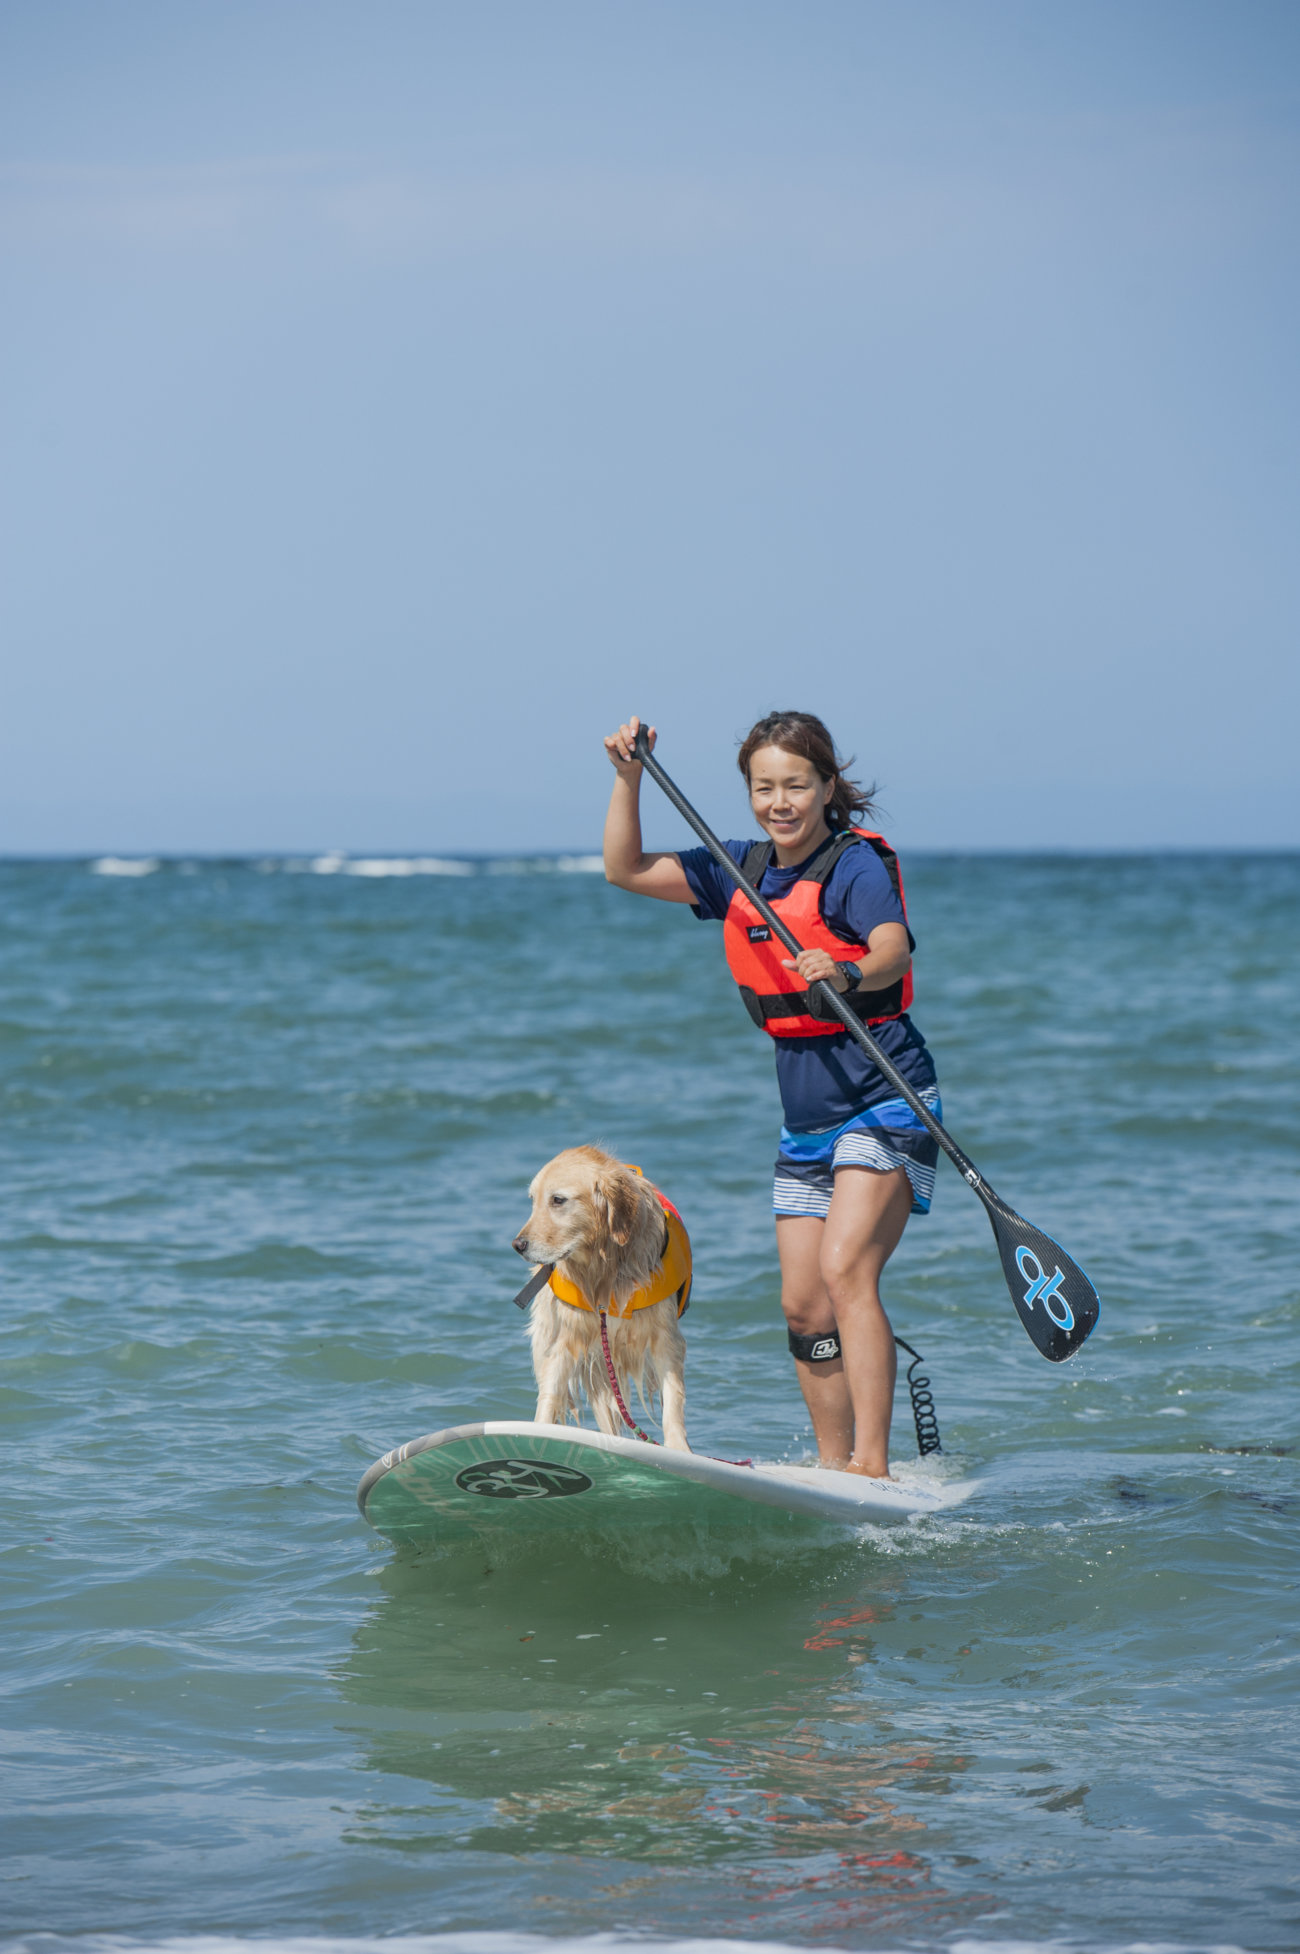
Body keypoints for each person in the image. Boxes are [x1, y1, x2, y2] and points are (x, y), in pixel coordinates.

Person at [602, 710, 941, 1478]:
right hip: (806, 1122)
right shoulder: (738, 869)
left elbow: (889, 946)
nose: (779, 801)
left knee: (847, 1269)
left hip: (886, 1096)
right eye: (764, 787)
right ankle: (832, 1466)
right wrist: (628, 777)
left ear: (827, 787)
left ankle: (872, 1465)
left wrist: (848, 970)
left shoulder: (854, 866)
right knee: (803, 1306)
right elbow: (624, 868)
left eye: (796, 785)